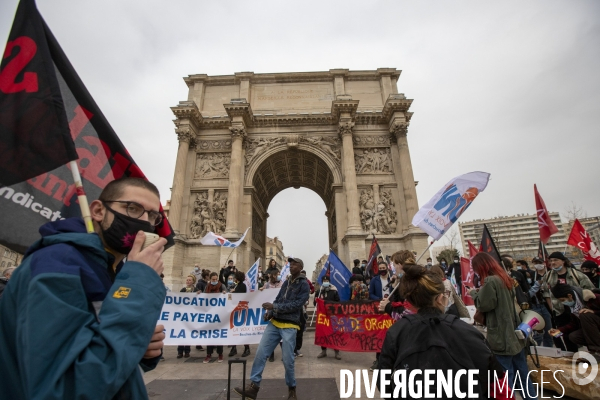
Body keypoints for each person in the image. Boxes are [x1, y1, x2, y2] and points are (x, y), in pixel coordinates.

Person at [0, 177, 167, 400]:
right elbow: (66, 388)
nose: (144, 221)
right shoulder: (57, 266)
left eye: (152, 215)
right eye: (133, 208)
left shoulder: (108, 268)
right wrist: (138, 281)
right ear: (98, 211)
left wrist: (139, 346)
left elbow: (102, 362)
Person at [378, 264, 505, 398]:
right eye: (446, 294)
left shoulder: (396, 332)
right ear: (439, 298)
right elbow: (495, 378)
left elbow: (383, 380)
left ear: (410, 301)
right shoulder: (467, 330)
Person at [235, 257, 310, 400]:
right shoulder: (287, 282)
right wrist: (270, 313)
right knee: (260, 354)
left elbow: (297, 304)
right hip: (275, 323)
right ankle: (254, 387)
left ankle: (291, 389)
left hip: (290, 325)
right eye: (290, 264)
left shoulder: (304, 285)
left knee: (288, 361)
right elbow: (279, 299)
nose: (291, 266)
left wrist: (274, 307)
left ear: (300, 267)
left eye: (294, 264)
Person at [467, 253, 537, 400]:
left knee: (506, 376)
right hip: (515, 334)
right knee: (523, 374)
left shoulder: (490, 281)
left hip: (501, 337)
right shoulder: (505, 278)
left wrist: (473, 293)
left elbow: (485, 305)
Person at [543, 252, 594, 351]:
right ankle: (571, 354)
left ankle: (592, 352)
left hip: (578, 311)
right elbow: (546, 294)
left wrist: (587, 308)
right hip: (559, 312)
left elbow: (590, 291)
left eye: (556, 260)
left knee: (585, 334)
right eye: (551, 261)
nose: (553, 263)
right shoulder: (548, 276)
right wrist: (552, 308)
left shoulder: (576, 274)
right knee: (564, 335)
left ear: (563, 261)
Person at [549, 283, 600, 354]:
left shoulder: (593, 297)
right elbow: (574, 324)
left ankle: (596, 350)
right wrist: (558, 331)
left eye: (563, 300)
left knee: (584, 315)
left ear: (569, 296)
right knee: (573, 336)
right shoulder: (571, 306)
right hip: (594, 330)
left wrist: (594, 312)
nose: (563, 302)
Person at [526, 257, 553, 347]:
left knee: (549, 330)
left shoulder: (550, 274)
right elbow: (529, 292)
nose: (538, 264)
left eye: (539, 262)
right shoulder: (531, 275)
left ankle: (549, 348)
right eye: (535, 263)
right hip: (534, 306)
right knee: (536, 330)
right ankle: (536, 349)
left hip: (546, 305)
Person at [259, 267, 283, 362]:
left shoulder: (282, 284)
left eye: (279, 274)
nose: (278, 276)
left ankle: (284, 354)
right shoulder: (267, 284)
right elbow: (262, 292)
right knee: (271, 336)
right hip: (270, 312)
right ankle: (271, 354)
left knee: (282, 335)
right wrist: (261, 289)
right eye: (277, 274)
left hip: (280, 311)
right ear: (273, 275)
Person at [314, 275, 341, 360]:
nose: (325, 282)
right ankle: (323, 351)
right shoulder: (319, 291)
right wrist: (316, 301)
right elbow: (315, 304)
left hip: (332, 316)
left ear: (329, 281)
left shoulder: (334, 291)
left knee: (334, 333)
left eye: (327, 280)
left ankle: (336, 352)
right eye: (324, 280)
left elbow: (338, 302)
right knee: (323, 333)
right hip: (322, 316)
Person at [204, 272, 226, 363]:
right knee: (209, 335)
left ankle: (220, 354)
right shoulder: (207, 287)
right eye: (213, 279)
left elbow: (228, 297)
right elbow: (204, 297)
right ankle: (208, 354)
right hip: (210, 313)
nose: (214, 281)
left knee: (219, 334)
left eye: (216, 279)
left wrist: (224, 293)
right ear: (210, 279)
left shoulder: (222, 286)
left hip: (219, 313)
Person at [177, 275, 197, 358]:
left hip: (191, 315)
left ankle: (187, 351)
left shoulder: (196, 290)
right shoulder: (183, 290)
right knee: (181, 333)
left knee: (188, 333)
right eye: (187, 280)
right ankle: (180, 351)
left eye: (190, 280)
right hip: (183, 315)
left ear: (193, 281)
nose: (188, 281)